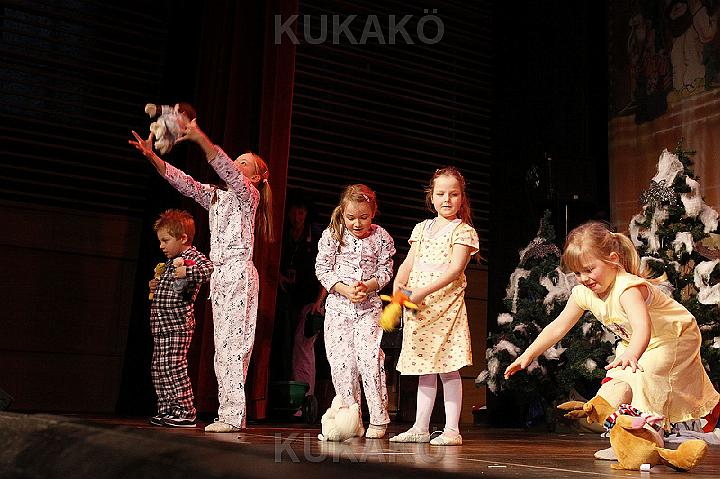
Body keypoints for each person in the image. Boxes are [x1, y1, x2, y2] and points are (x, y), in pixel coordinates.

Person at [504, 221, 720, 456]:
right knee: (619, 383)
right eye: (577, 273)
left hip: (674, 335)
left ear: (613, 260)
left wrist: (632, 355)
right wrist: (529, 354)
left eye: (589, 270)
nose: (584, 278)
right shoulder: (583, 293)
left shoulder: (627, 289)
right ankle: (624, 442)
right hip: (636, 342)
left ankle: (647, 440)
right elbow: (558, 327)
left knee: (645, 378)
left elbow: (643, 326)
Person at [130, 119, 274, 432]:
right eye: (237, 159)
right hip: (219, 276)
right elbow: (185, 183)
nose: (236, 164)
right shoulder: (216, 197)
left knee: (234, 348)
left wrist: (199, 138)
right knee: (222, 349)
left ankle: (233, 416)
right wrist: (152, 157)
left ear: (256, 178)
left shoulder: (249, 197)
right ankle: (229, 414)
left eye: (244, 163)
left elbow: (226, 168)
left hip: (238, 272)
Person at [389, 167, 479, 446]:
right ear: (432, 196)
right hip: (420, 309)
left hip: (445, 308)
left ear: (462, 198)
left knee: (448, 368)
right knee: (424, 368)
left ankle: (452, 429)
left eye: (454, 194)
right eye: (440, 194)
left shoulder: (463, 231)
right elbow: (409, 262)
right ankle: (420, 426)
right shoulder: (422, 228)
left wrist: (422, 292)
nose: (447, 199)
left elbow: (454, 269)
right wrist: (399, 287)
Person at [315, 184, 395, 438]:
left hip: (368, 309)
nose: (357, 223)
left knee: (369, 360)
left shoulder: (381, 237)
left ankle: (379, 419)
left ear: (373, 213)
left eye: (364, 217)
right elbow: (322, 269)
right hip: (339, 308)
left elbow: (386, 271)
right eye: (351, 217)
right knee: (342, 364)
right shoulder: (333, 234)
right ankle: (351, 420)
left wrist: (367, 286)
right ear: (342, 212)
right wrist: (344, 289)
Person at [147, 209, 213, 427]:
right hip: (161, 325)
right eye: (160, 241)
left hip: (177, 325)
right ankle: (168, 409)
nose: (161, 246)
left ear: (183, 238)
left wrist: (187, 272)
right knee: (160, 369)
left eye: (166, 240)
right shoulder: (170, 262)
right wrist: (156, 285)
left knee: (174, 367)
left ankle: (185, 411)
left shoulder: (192, 257)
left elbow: (209, 269)